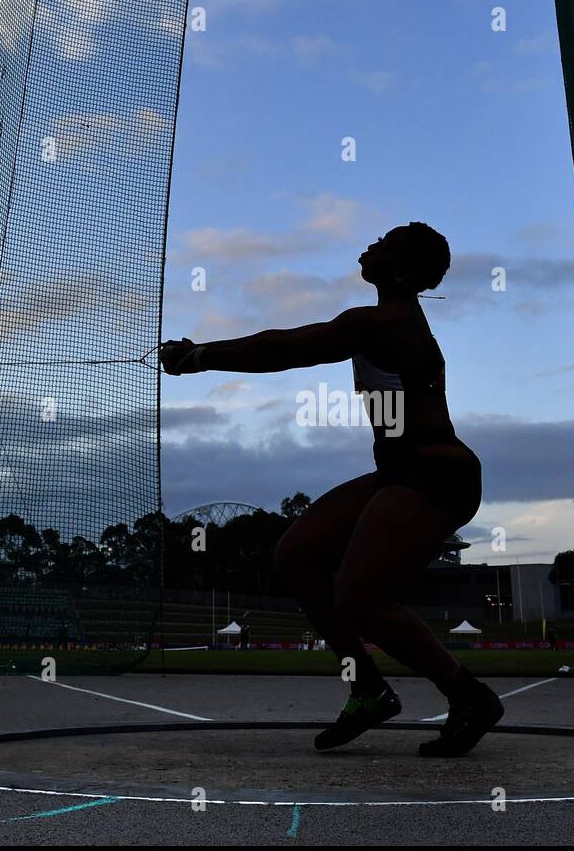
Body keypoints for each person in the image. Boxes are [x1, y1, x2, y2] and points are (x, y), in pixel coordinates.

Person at [159, 222, 503, 757]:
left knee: (361, 598)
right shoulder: (383, 320)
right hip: (400, 473)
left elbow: (289, 346)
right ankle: (368, 689)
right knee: (297, 552)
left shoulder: (383, 321)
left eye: (385, 243)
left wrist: (200, 355)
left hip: (436, 474)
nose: (370, 245)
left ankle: (468, 695)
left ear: (402, 269)